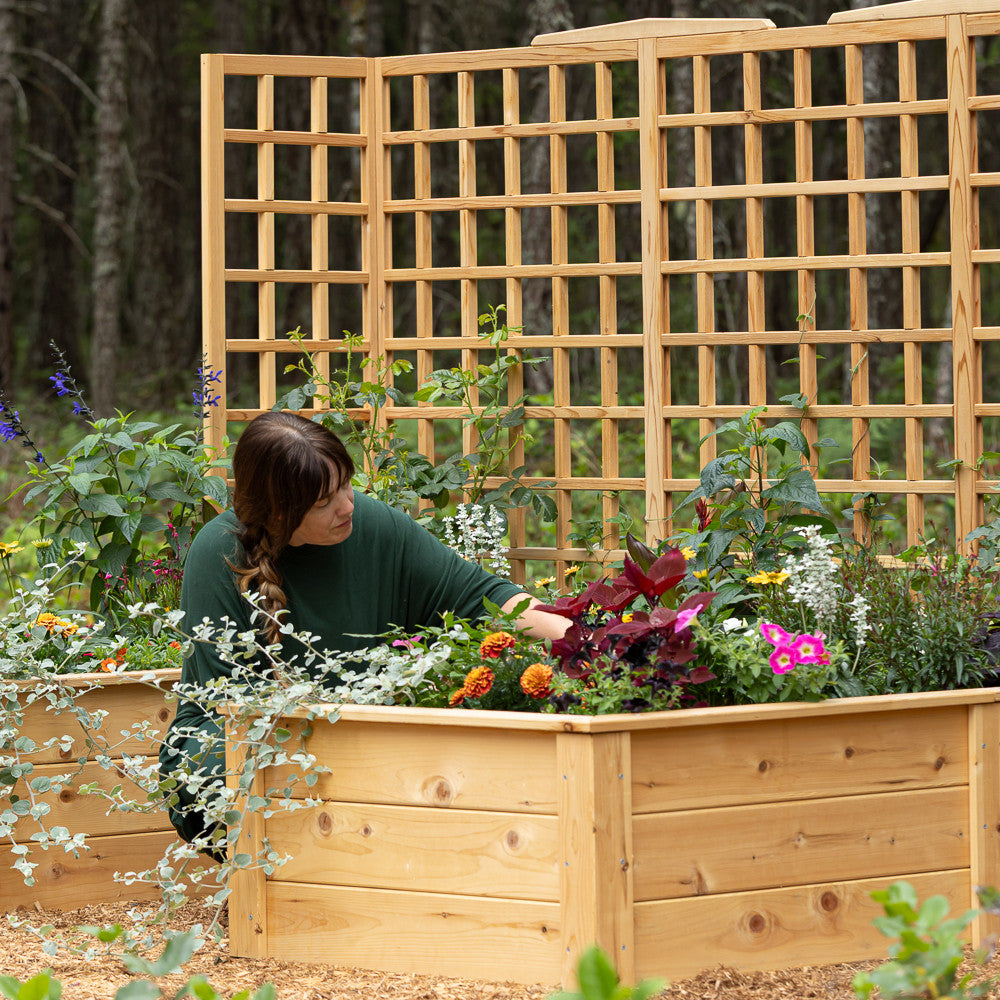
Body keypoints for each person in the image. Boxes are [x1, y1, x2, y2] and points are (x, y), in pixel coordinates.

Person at [159, 410, 567, 850]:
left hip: (365, 742)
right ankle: (267, 889)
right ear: (277, 512)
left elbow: (479, 594)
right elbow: (230, 711)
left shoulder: (373, 525)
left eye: (346, 485)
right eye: (323, 503)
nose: (347, 505)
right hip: (249, 747)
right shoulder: (219, 552)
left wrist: (582, 638)